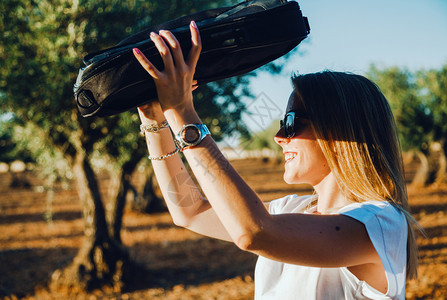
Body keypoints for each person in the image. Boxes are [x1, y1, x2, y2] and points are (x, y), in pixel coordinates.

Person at [132, 21, 418, 299]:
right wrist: (155, 122)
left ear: (340, 131)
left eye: (292, 122)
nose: (279, 136)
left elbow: (253, 233)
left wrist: (183, 111)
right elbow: (189, 211)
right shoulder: (290, 209)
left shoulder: (381, 225)